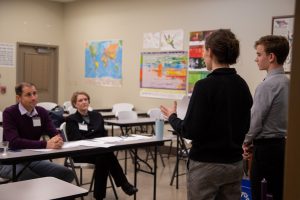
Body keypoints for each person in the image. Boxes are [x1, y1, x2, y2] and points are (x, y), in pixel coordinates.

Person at [160, 29, 253, 200]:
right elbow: (246, 125)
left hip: (206, 166)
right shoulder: (242, 85)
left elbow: (190, 130)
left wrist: (172, 117)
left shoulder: (204, 86)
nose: (203, 55)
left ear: (210, 52)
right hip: (234, 165)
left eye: (204, 51)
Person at [65, 91, 138, 200]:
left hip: (99, 151)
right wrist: (94, 139)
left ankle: (100, 196)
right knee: (107, 156)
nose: (84, 102)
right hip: (81, 152)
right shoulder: (71, 119)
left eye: (86, 99)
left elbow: (103, 134)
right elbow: (76, 139)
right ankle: (124, 185)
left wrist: (95, 139)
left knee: (103, 158)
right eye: (80, 100)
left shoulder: (97, 115)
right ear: (75, 104)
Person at [243, 35, 290, 200]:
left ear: (271, 57)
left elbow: (255, 121)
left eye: (259, 54)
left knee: (261, 194)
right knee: (277, 193)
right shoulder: (288, 82)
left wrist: (245, 141)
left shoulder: (266, 86)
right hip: (282, 147)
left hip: (266, 151)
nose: (256, 59)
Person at [0, 82, 74, 183]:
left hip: (32, 158)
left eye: (35, 93)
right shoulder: (9, 112)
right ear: (18, 98)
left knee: (66, 174)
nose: (33, 97)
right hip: (9, 160)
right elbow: (14, 142)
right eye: (28, 95)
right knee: (32, 179)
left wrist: (58, 139)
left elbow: (54, 132)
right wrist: (46, 144)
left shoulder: (41, 112)